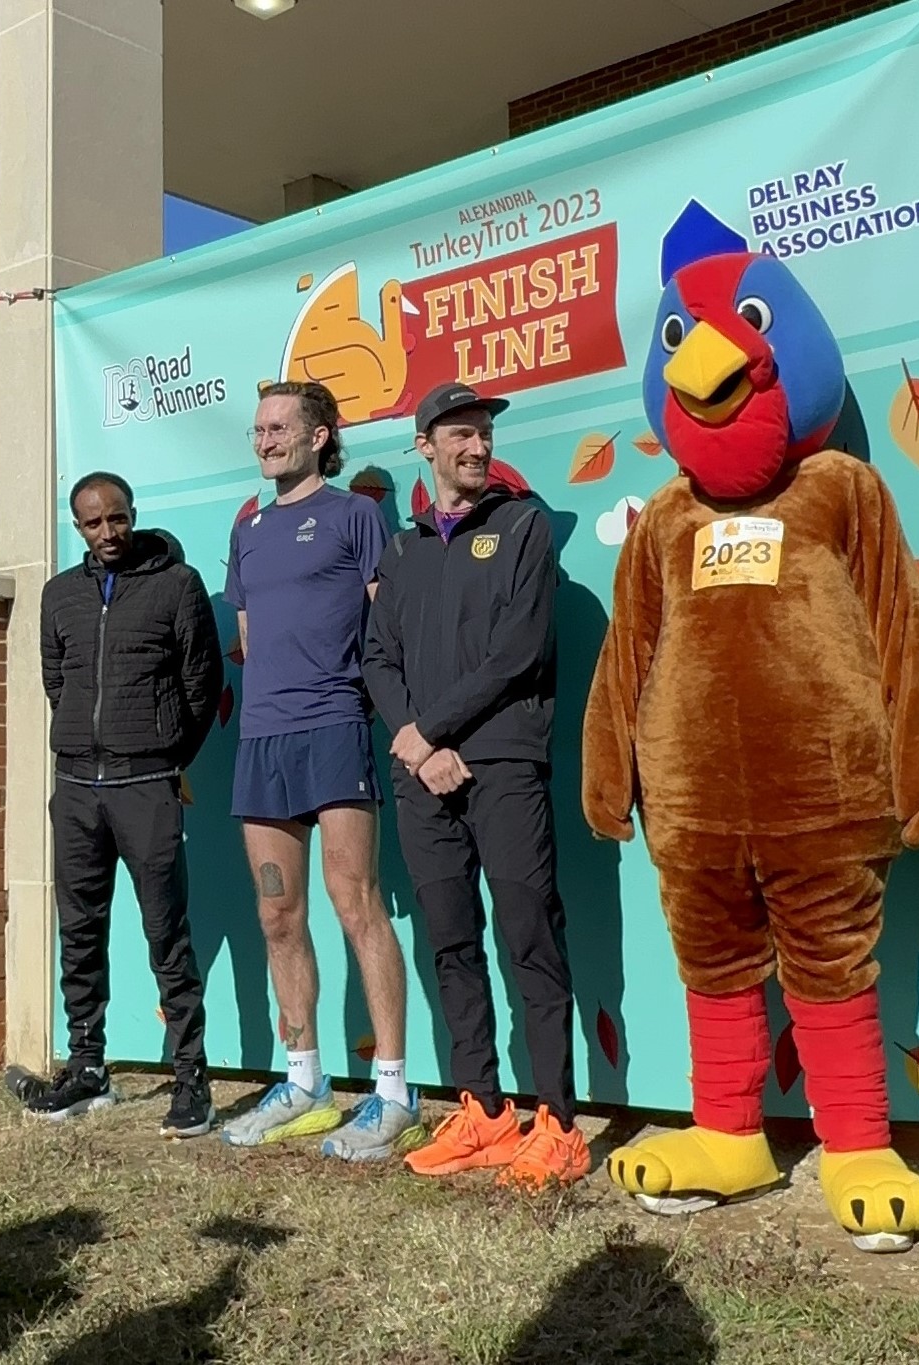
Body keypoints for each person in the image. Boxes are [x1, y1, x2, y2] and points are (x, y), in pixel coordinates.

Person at [362, 382, 591, 1188]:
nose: (478, 445)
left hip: (501, 761)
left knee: (528, 932)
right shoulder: (403, 547)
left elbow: (520, 650)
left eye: (484, 433)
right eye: (460, 432)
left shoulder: (524, 525)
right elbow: (377, 659)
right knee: (452, 940)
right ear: (424, 445)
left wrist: (435, 731)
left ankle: (560, 1122)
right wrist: (418, 747)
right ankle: (487, 1110)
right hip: (423, 773)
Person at [220, 379, 421, 1160]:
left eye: (279, 427)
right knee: (278, 916)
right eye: (259, 427)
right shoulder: (248, 532)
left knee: (355, 904)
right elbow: (248, 636)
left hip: (336, 727)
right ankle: (303, 1081)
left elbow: (387, 627)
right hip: (263, 741)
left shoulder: (355, 515)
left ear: (318, 437)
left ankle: (394, 1093)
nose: (266, 438)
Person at [36, 472, 222, 1135]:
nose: (108, 532)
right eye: (93, 523)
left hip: (147, 784)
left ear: (133, 515)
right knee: (80, 929)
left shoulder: (177, 584)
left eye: (117, 518)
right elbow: (56, 679)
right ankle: (87, 1068)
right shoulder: (58, 594)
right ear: (77, 526)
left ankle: (191, 1077)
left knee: (166, 933)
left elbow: (203, 682)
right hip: (78, 786)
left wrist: (167, 752)